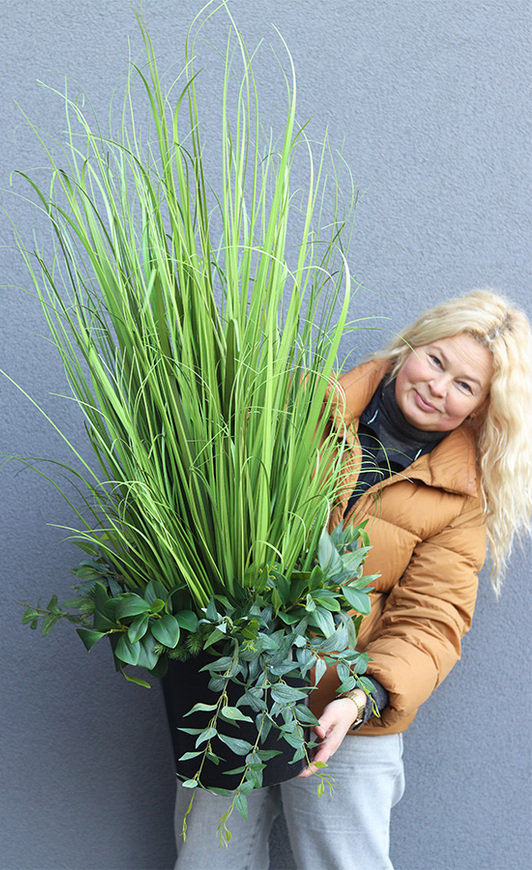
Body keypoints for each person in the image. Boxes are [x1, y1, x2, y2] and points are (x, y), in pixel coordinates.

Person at [172, 289, 532, 870]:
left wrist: (364, 697)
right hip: (231, 690)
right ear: (409, 346)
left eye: (465, 386)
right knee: (207, 858)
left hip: (344, 713)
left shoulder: (464, 501)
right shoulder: (300, 407)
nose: (439, 388)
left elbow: (431, 622)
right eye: (436, 361)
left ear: (480, 408)